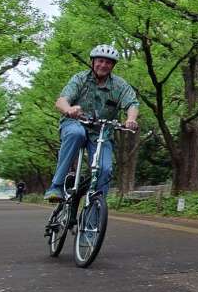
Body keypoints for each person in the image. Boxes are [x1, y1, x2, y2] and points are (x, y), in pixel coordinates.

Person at [44, 44, 139, 202]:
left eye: (108, 62)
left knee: (104, 169)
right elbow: (61, 101)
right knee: (76, 134)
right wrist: (69, 109)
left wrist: (131, 119)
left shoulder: (119, 85)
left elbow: (132, 103)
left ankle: (95, 211)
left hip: (101, 131)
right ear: (93, 62)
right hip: (74, 123)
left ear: (113, 66)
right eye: (100, 61)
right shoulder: (80, 79)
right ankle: (56, 186)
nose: (103, 65)